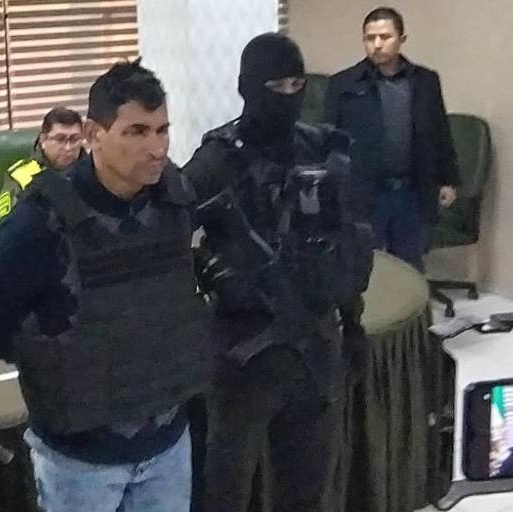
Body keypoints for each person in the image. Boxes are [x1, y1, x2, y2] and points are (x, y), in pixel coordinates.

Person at [0, 60, 214, 512]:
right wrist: (57, 357)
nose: (157, 148)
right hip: (79, 461)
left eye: (162, 130)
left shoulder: (176, 198)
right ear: (92, 134)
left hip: (167, 443)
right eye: (136, 132)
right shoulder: (41, 221)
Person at [181, 33, 373, 512]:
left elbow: (344, 241)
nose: (288, 96)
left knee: (306, 491)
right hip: (243, 353)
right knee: (224, 494)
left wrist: (352, 323)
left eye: (296, 84)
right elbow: (166, 233)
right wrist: (209, 271)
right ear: (247, 87)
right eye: (275, 86)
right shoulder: (217, 159)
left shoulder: (319, 150)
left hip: (315, 344)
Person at [324, 6, 459, 269]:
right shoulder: (344, 84)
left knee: (409, 267)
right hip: (365, 193)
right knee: (364, 267)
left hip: (412, 192)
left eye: (384, 37)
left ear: (401, 39)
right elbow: (330, 138)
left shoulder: (425, 81)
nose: (377, 44)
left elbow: (439, 131)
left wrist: (448, 179)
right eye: (370, 38)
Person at [0, 107, 84, 221]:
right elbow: (7, 224)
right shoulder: (20, 176)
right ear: (43, 140)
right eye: (60, 139)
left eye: (74, 139)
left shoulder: (95, 172)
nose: (68, 147)